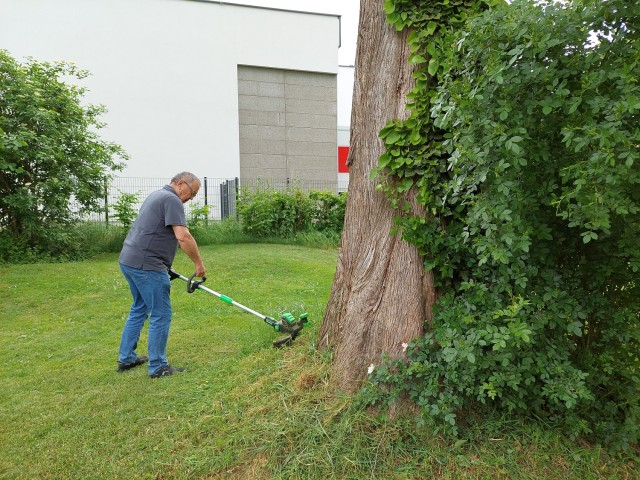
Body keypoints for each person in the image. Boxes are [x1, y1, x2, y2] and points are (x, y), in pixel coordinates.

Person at [117, 172, 206, 378]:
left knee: (140, 308)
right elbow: (183, 236)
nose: (192, 198)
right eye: (193, 193)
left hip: (129, 260)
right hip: (146, 265)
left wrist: (166, 266)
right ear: (181, 184)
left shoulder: (157, 195)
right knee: (161, 313)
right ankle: (157, 366)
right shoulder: (171, 200)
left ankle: (127, 358)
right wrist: (199, 265)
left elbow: (154, 233)